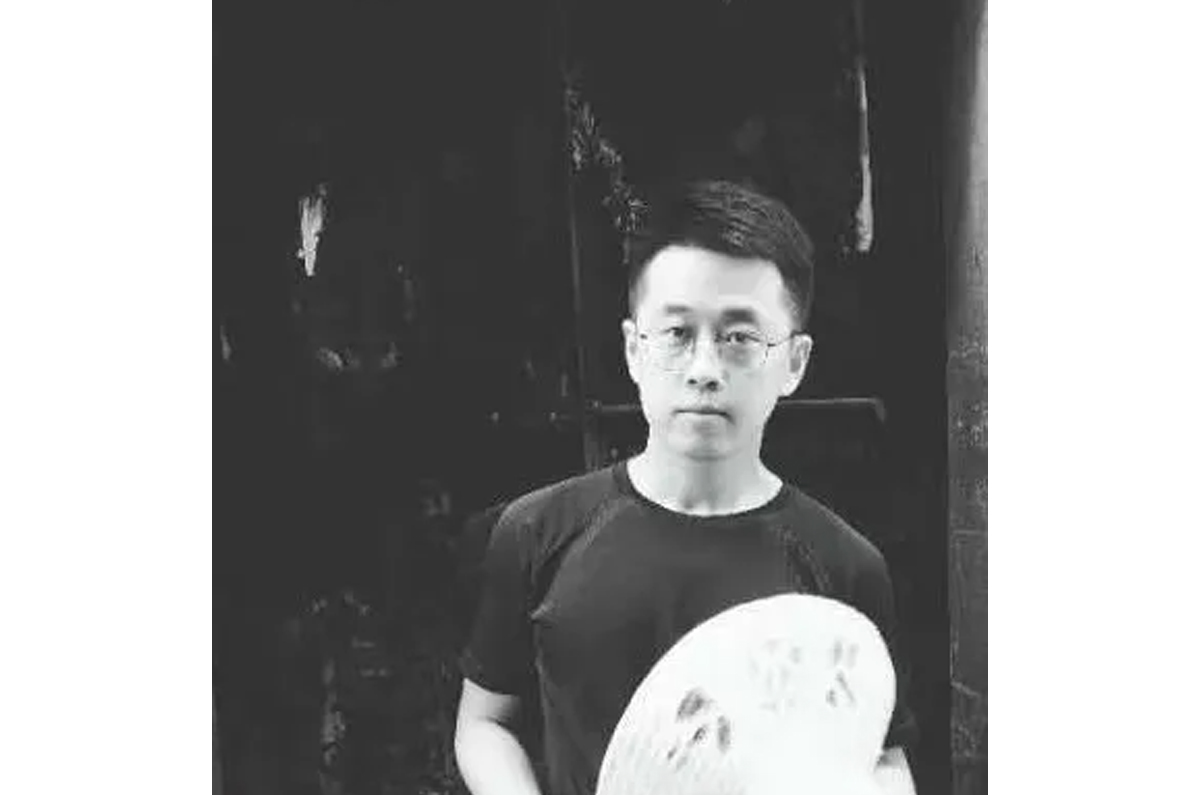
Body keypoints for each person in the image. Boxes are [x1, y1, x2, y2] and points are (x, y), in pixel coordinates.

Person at [454, 180, 918, 795]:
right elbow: (485, 724)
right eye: (676, 333)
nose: (704, 369)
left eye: (740, 338)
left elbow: (879, 754)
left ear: (795, 362)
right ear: (633, 349)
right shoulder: (537, 533)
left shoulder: (845, 566)